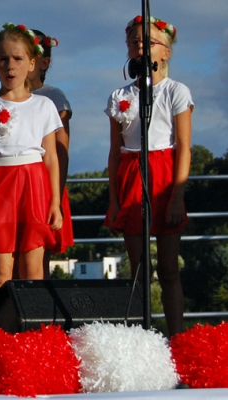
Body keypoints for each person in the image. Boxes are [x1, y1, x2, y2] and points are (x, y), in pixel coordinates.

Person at [0, 23, 63, 303]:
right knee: (1, 272)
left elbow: (51, 157)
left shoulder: (44, 105)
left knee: (33, 270)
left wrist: (54, 202)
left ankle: (36, 328)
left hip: (34, 186)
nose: (10, 65)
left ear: (32, 63)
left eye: (18, 58)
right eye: (3, 59)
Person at [105, 16, 191, 336]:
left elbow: (184, 147)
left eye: (148, 41)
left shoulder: (175, 91)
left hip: (164, 174)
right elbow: (115, 151)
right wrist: (114, 200)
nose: (140, 46)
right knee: (140, 268)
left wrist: (177, 197)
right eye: (134, 41)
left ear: (165, 52)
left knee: (168, 268)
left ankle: (176, 336)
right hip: (131, 173)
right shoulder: (119, 95)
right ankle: (143, 335)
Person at [27, 29, 74, 279]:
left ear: (43, 63)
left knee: (38, 255)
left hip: (45, 183)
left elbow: (61, 150)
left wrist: (56, 194)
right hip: (15, 182)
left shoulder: (53, 97)